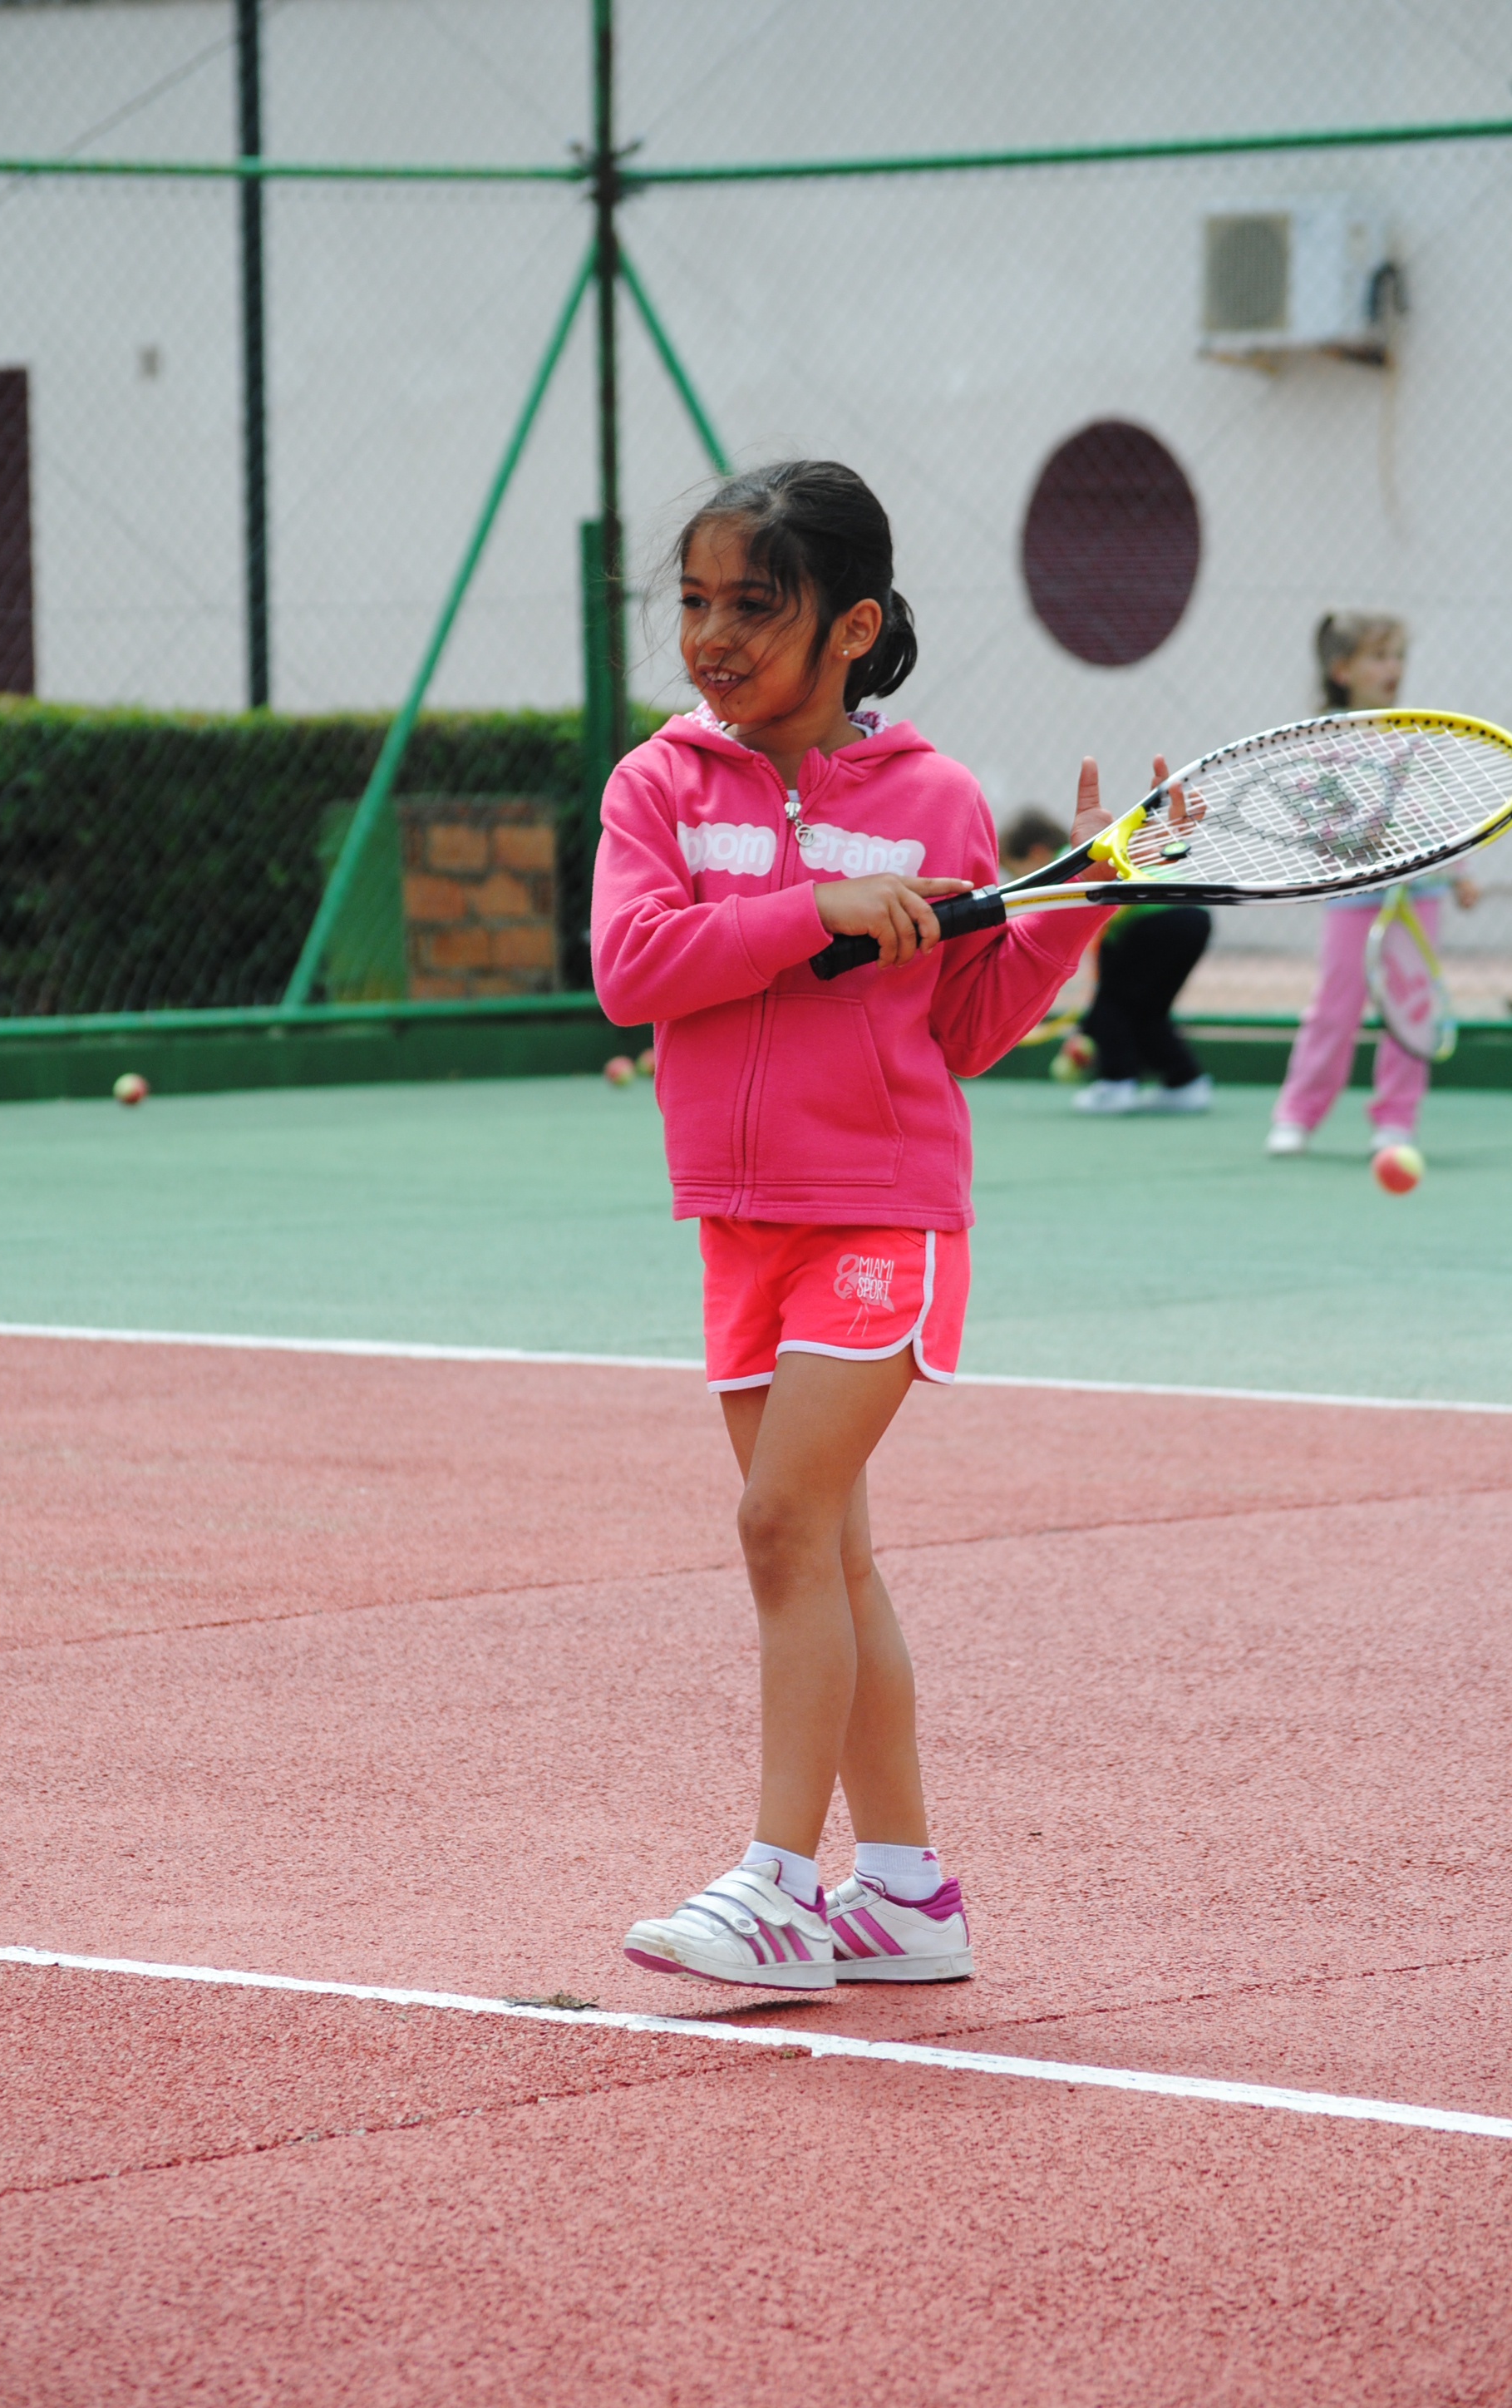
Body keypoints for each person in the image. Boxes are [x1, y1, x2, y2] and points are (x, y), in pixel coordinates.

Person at [592, 459, 1183, 1990]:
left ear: (852, 626)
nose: (711, 638)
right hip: (738, 1224)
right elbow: (633, 968)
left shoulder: (934, 802)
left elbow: (964, 1024)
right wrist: (817, 914)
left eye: (753, 607)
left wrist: (1080, 896)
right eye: (695, 603)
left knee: (779, 1526)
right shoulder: (657, 784)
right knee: (831, 1561)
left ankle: (777, 1887)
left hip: (882, 1210)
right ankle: (909, 1895)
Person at [1266, 614, 1478, 1157]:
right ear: (1343, 671)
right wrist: (1355, 836)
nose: (1393, 668)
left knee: (1411, 1011)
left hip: (1419, 898)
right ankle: (1297, 1115)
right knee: (1334, 1012)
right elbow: (1316, 820)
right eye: (1379, 657)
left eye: (1398, 656)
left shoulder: (1416, 734)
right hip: (1353, 899)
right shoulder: (1322, 740)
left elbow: (1441, 814)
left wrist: (1459, 875)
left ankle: (1397, 1120)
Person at [1000, 810, 1213, 1114]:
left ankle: (1117, 1083)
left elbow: (1098, 921)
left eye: (1015, 869)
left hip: (1155, 916)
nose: (1017, 880)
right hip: (1194, 916)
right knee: (1148, 1008)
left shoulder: (1064, 866)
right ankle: (1184, 1083)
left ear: (1037, 852)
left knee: (1114, 1003)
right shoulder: (1083, 851)